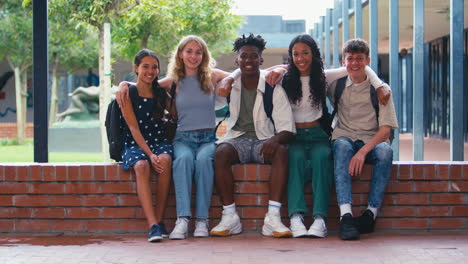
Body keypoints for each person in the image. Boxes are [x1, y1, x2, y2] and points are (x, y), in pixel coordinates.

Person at [117, 36, 231, 240]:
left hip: (207, 138)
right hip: (182, 138)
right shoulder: (173, 81)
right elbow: (146, 83)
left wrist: (276, 70)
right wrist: (124, 83)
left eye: (198, 52)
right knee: (184, 160)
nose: (193, 56)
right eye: (189, 51)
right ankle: (183, 219)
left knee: (205, 161)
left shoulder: (212, 77)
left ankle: (202, 220)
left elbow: (241, 73)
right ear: (180, 54)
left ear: (204, 55)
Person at [280, 34, 390, 238]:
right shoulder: (285, 78)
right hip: (295, 135)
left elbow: (360, 66)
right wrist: (276, 69)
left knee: (323, 158)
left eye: (305, 53)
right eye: (295, 54)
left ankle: (320, 220)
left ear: (314, 55)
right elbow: (261, 73)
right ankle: (296, 217)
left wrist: (379, 85)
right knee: (294, 159)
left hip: (317, 134)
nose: (301, 58)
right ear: (290, 56)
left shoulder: (324, 77)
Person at [210, 34, 295, 238]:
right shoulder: (230, 85)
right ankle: (230, 217)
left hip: (263, 140)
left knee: (281, 152)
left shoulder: (272, 87)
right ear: (237, 60)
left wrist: (274, 140)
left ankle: (273, 218)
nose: (249, 60)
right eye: (244, 56)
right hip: (237, 139)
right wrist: (230, 77)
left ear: (261, 60)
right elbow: (205, 73)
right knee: (221, 153)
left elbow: (288, 128)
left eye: (254, 56)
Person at [328, 38, 398, 240]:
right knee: (340, 146)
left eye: (359, 58)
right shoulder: (336, 86)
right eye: (350, 59)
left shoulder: (381, 91)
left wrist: (363, 151)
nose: (355, 63)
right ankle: (346, 216)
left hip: (371, 140)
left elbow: (385, 130)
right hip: (345, 137)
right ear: (344, 62)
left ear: (367, 61)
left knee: (386, 151)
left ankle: (370, 215)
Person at [119, 49, 173, 242]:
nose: (150, 71)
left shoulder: (161, 93)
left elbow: (174, 114)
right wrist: (150, 155)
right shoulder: (128, 93)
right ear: (136, 68)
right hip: (136, 142)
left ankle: (159, 221)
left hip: (158, 141)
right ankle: (152, 225)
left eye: (155, 67)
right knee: (141, 166)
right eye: (145, 66)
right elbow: (133, 128)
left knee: (165, 160)